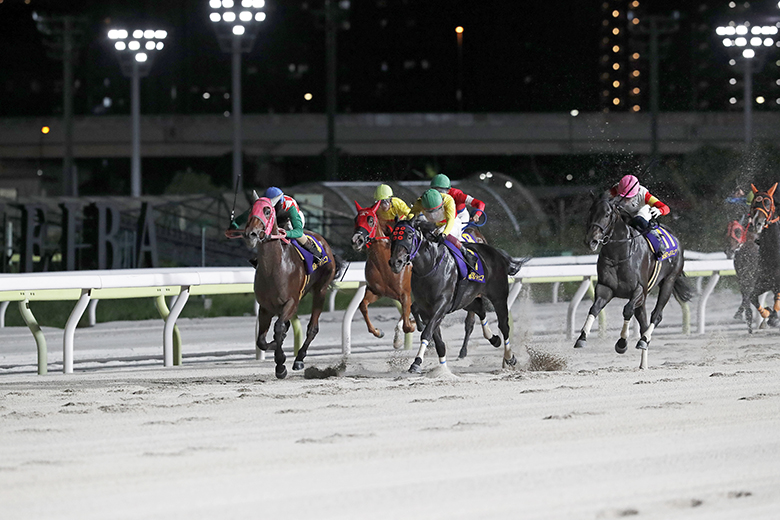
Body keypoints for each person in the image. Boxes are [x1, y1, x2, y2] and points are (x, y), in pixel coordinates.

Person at [228, 186, 321, 260]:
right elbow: (242, 218)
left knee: (292, 230)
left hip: (289, 219)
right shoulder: (263, 206)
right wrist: (233, 227)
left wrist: (285, 233)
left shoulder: (290, 207)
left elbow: (299, 232)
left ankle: (314, 251)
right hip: (274, 220)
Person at [409, 188, 478, 271]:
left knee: (441, 233)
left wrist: (444, 234)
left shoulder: (448, 199)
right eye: (430, 212)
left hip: (452, 222)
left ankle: (467, 254)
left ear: (442, 202)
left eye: (436, 210)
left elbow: (450, 220)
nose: (434, 215)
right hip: (435, 225)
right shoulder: (419, 202)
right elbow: (411, 215)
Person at [609, 174, 669, 259]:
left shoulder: (645, 195)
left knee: (638, 220)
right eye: (623, 196)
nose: (626, 201)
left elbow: (666, 208)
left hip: (640, 214)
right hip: (624, 213)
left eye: (629, 198)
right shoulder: (614, 190)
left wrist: (659, 210)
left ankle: (658, 241)